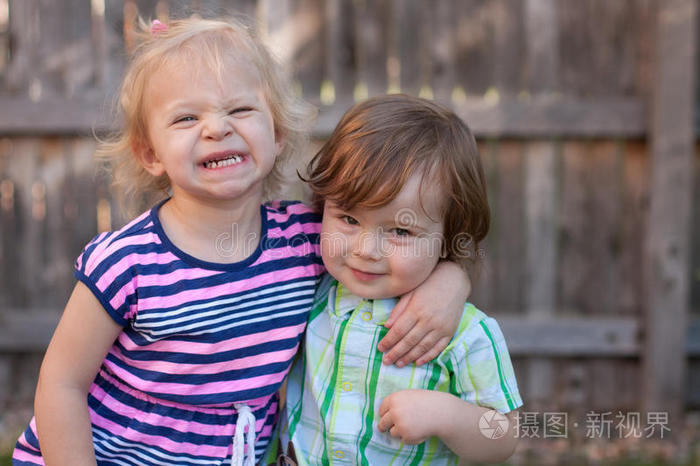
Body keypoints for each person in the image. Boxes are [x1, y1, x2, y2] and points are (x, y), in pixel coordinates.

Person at [12, 18, 470, 466]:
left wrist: (451, 280)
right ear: (150, 154)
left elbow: (392, 243)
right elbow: (61, 384)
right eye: (187, 117)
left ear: (277, 132)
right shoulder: (127, 262)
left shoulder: (306, 239)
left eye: (239, 110)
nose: (216, 128)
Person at [275, 95, 523, 465]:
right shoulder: (308, 289)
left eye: (400, 231)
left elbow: (503, 436)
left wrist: (446, 415)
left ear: (448, 235)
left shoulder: (466, 334)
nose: (366, 249)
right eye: (348, 219)